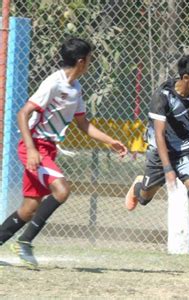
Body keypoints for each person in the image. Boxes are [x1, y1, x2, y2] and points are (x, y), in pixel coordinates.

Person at [0, 38, 128, 268]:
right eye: (90, 59)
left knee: (29, 208)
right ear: (81, 61)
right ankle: (24, 242)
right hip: (35, 147)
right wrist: (31, 150)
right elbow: (22, 114)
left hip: (46, 149)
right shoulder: (53, 83)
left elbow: (83, 124)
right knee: (62, 189)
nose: (91, 62)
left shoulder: (76, 88)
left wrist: (110, 141)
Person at [125, 54, 189, 258]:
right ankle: (139, 186)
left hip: (186, 148)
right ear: (185, 78)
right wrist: (167, 170)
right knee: (145, 197)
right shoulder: (163, 96)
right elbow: (159, 134)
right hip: (161, 149)